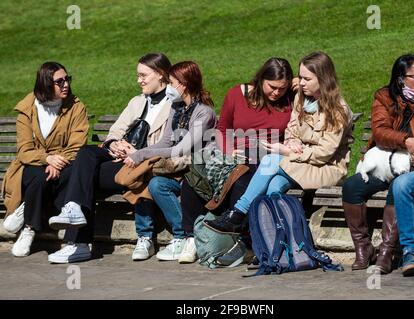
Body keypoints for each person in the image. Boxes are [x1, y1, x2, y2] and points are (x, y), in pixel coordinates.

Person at [204, 51, 353, 235]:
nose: (300, 82)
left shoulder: (337, 109)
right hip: (301, 162)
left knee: (269, 161)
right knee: (274, 186)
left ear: (322, 78)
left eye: (306, 79)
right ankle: (268, 239)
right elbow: (291, 128)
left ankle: (237, 214)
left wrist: (290, 152)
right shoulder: (301, 97)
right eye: (301, 77)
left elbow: (325, 152)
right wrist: (291, 143)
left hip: (326, 166)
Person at [47, 53, 173, 263]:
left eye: (143, 75)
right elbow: (116, 131)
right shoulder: (137, 101)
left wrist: (136, 152)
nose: (139, 80)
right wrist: (114, 144)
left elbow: (168, 144)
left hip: (141, 164)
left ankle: (77, 243)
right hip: (119, 158)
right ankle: (74, 213)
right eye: (137, 75)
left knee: (76, 174)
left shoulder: (173, 104)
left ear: (161, 75)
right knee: (86, 153)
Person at [178, 57, 294, 263]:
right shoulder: (237, 94)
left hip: (268, 156)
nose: (277, 93)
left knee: (243, 179)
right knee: (192, 177)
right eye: (272, 87)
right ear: (260, 79)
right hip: (234, 154)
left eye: (282, 88)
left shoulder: (290, 100)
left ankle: (244, 241)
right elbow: (222, 129)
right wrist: (230, 151)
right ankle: (190, 237)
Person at [342, 53, 414, 274]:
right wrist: (405, 141)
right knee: (352, 186)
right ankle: (363, 248)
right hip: (385, 163)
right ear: (401, 79)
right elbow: (380, 132)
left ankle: (387, 252)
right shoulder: (384, 97)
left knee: (400, 185)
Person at [123, 61, 217, 262]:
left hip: (198, 171)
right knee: (153, 182)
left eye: (172, 82)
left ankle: (182, 235)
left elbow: (181, 149)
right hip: (178, 170)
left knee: (152, 178)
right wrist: (139, 153)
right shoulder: (176, 107)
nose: (169, 87)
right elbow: (166, 140)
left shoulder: (204, 112)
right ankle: (170, 236)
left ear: (183, 84)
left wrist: (140, 155)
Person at [1, 61, 89, 258]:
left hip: (64, 163)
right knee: (39, 177)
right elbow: (24, 150)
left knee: (59, 176)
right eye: (59, 81)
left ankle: (28, 225)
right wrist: (47, 158)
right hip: (31, 163)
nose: (65, 84)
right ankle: (29, 226)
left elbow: (77, 144)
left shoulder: (76, 107)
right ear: (45, 83)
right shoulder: (28, 108)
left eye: (67, 79)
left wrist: (58, 161)